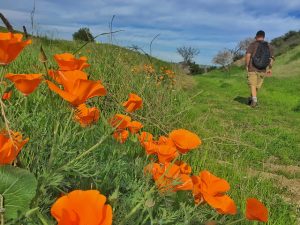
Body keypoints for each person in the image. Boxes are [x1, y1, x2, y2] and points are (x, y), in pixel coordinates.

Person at [245, 30, 274, 108]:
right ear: (263, 37)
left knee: (252, 85)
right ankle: (251, 98)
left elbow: (248, 55)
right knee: (257, 86)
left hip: (252, 67)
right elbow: (271, 59)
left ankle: (254, 100)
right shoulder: (269, 46)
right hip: (263, 69)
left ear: (256, 36)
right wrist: (270, 68)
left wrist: (247, 65)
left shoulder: (253, 44)